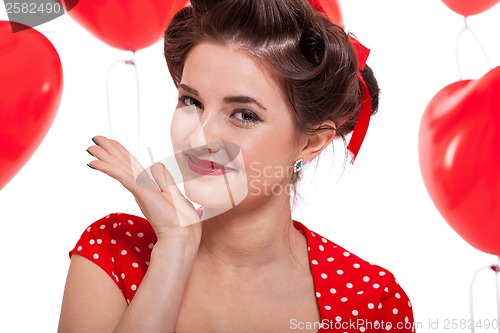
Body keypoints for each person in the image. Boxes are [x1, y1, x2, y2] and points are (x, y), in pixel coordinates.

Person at [58, 0, 415, 332]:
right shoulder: (112, 251)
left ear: (310, 142)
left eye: (244, 114)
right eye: (191, 101)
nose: (199, 137)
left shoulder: (371, 302)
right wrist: (173, 251)